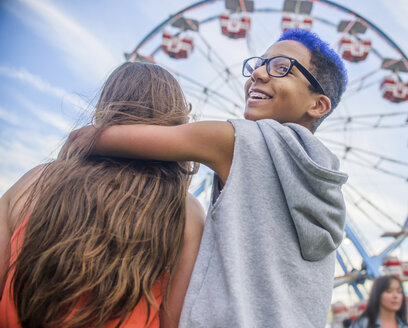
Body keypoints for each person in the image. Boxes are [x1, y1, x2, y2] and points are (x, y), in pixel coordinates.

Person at [73, 28, 349, 327]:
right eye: (258, 64)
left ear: (318, 105)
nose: (258, 73)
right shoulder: (328, 186)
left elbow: (97, 139)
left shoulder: (240, 140)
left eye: (281, 68)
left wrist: (73, 148)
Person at [0, 62, 206, 328]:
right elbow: (174, 321)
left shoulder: (33, 182)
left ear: (104, 110)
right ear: (177, 119)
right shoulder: (186, 212)